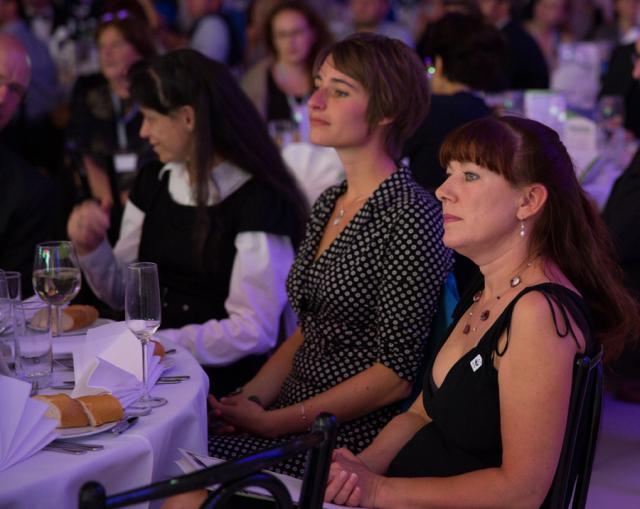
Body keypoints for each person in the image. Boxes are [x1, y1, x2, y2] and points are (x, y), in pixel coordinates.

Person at [162, 32, 452, 508]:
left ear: (385, 112)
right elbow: (305, 330)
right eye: (318, 85)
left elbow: (395, 374)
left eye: (339, 91)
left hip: (343, 438)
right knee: (166, 465)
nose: (314, 101)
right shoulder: (331, 201)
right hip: (292, 411)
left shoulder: (410, 213)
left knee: (179, 492)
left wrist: (276, 422)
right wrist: (250, 401)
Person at [323, 115, 640, 508]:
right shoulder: (492, 287)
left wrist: (378, 491)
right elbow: (421, 413)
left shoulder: (537, 314)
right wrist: (362, 468)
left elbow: (522, 492)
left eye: (470, 177)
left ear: (528, 201)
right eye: (449, 174)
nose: (442, 191)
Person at [67, 49, 308, 398]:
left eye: (151, 118)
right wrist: (92, 248)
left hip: (220, 383)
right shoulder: (155, 179)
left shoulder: (258, 199)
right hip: (148, 364)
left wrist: (159, 342)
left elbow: (254, 329)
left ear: (188, 118)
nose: (145, 132)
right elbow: (125, 292)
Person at [403, 12, 505, 296]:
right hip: (480, 257)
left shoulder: (426, 112)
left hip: (430, 248)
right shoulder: (493, 119)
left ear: (439, 63)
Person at [66, 8, 157, 243]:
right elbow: (80, 152)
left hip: (153, 201)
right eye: (101, 46)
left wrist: (135, 200)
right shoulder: (87, 93)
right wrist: (112, 200)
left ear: (139, 46)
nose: (105, 53)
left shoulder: (158, 91)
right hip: (104, 204)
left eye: (115, 45)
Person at [0, 33, 56, 296]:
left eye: (15, 90)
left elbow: (15, 297)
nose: (3, 97)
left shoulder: (27, 192)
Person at [241, 0, 332, 123]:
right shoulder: (254, 82)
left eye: (297, 32)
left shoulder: (333, 75)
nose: (290, 42)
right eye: (282, 35)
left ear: (313, 34)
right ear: (272, 40)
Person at [477, 0, 549, 90]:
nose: (478, 4)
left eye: (485, 1)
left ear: (504, 5)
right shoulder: (504, 33)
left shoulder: (511, 39)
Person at [522, 0, 573, 72]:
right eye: (552, 7)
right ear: (537, 7)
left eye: (561, 8)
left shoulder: (563, 37)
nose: (558, 12)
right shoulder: (521, 34)